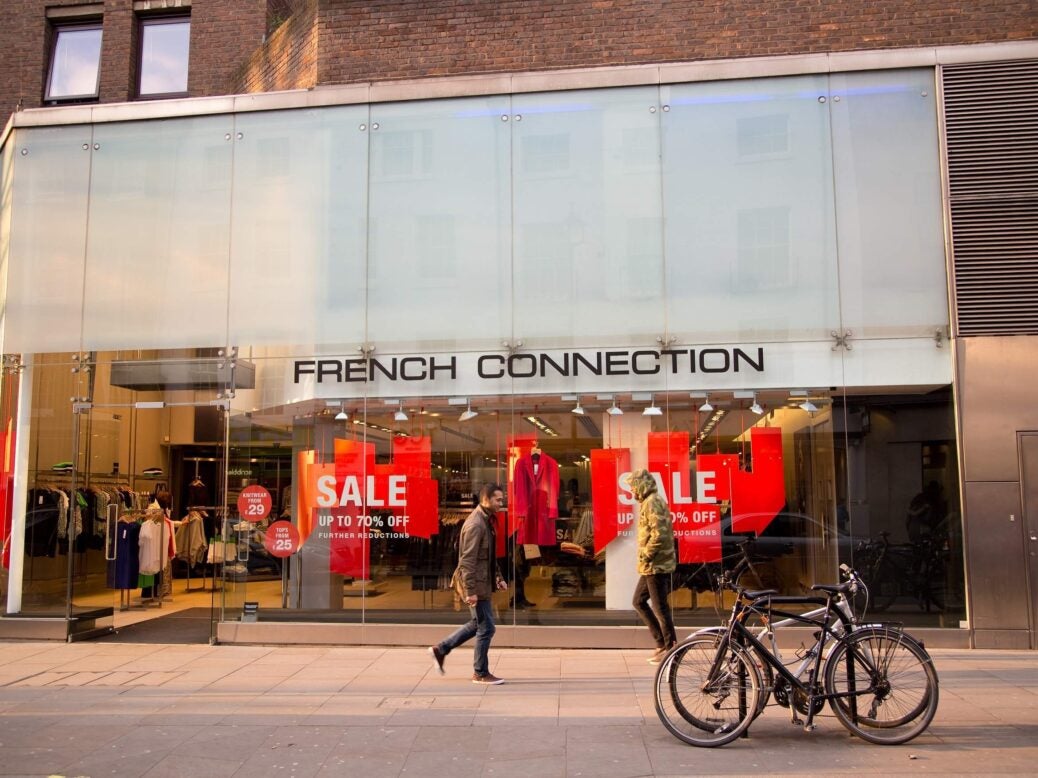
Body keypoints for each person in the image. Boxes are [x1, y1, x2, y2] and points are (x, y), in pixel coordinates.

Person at [429, 483, 508, 685]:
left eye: (502, 499)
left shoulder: (486, 520)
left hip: (482, 582)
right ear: (486, 500)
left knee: (477, 624)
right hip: (476, 585)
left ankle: (441, 649)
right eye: (498, 499)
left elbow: (488, 556)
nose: (501, 503)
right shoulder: (476, 524)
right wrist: (470, 591)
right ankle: (480, 673)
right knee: (486, 628)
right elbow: (467, 561)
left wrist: (498, 577)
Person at [626, 468, 677, 664]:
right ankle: (662, 643)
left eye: (633, 486)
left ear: (642, 484)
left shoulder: (653, 502)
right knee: (639, 601)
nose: (632, 490)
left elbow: (660, 534)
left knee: (659, 607)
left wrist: (646, 554)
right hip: (651, 565)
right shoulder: (649, 501)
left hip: (656, 564)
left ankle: (670, 648)